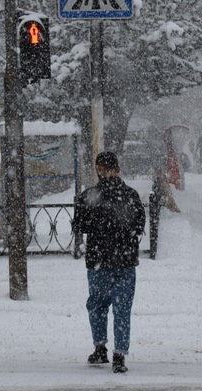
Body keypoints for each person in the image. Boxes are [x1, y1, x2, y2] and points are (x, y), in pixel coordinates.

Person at [73, 152, 146, 373]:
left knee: (97, 306)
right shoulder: (130, 195)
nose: (104, 172)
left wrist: (98, 226)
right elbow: (139, 226)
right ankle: (119, 354)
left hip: (98, 261)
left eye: (104, 168)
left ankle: (100, 348)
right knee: (122, 309)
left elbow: (79, 226)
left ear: (99, 170)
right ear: (118, 169)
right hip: (124, 261)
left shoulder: (89, 196)